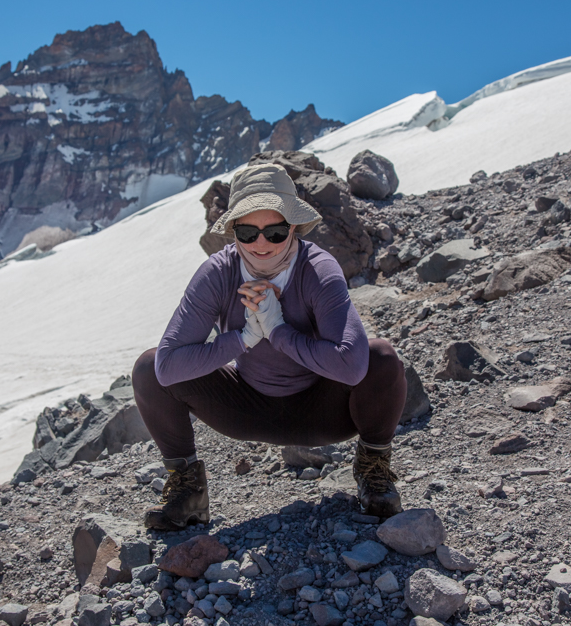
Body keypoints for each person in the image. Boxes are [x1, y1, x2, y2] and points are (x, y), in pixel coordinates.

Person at [132, 162, 407, 531]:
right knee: (149, 368)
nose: (261, 243)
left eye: (275, 231)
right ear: (233, 231)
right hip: (245, 407)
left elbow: (353, 366)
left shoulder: (318, 269)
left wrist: (277, 330)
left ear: (293, 227)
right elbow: (167, 368)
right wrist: (244, 338)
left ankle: (373, 470)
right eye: (248, 231)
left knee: (381, 358)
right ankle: (187, 490)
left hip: (322, 411)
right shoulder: (218, 274)